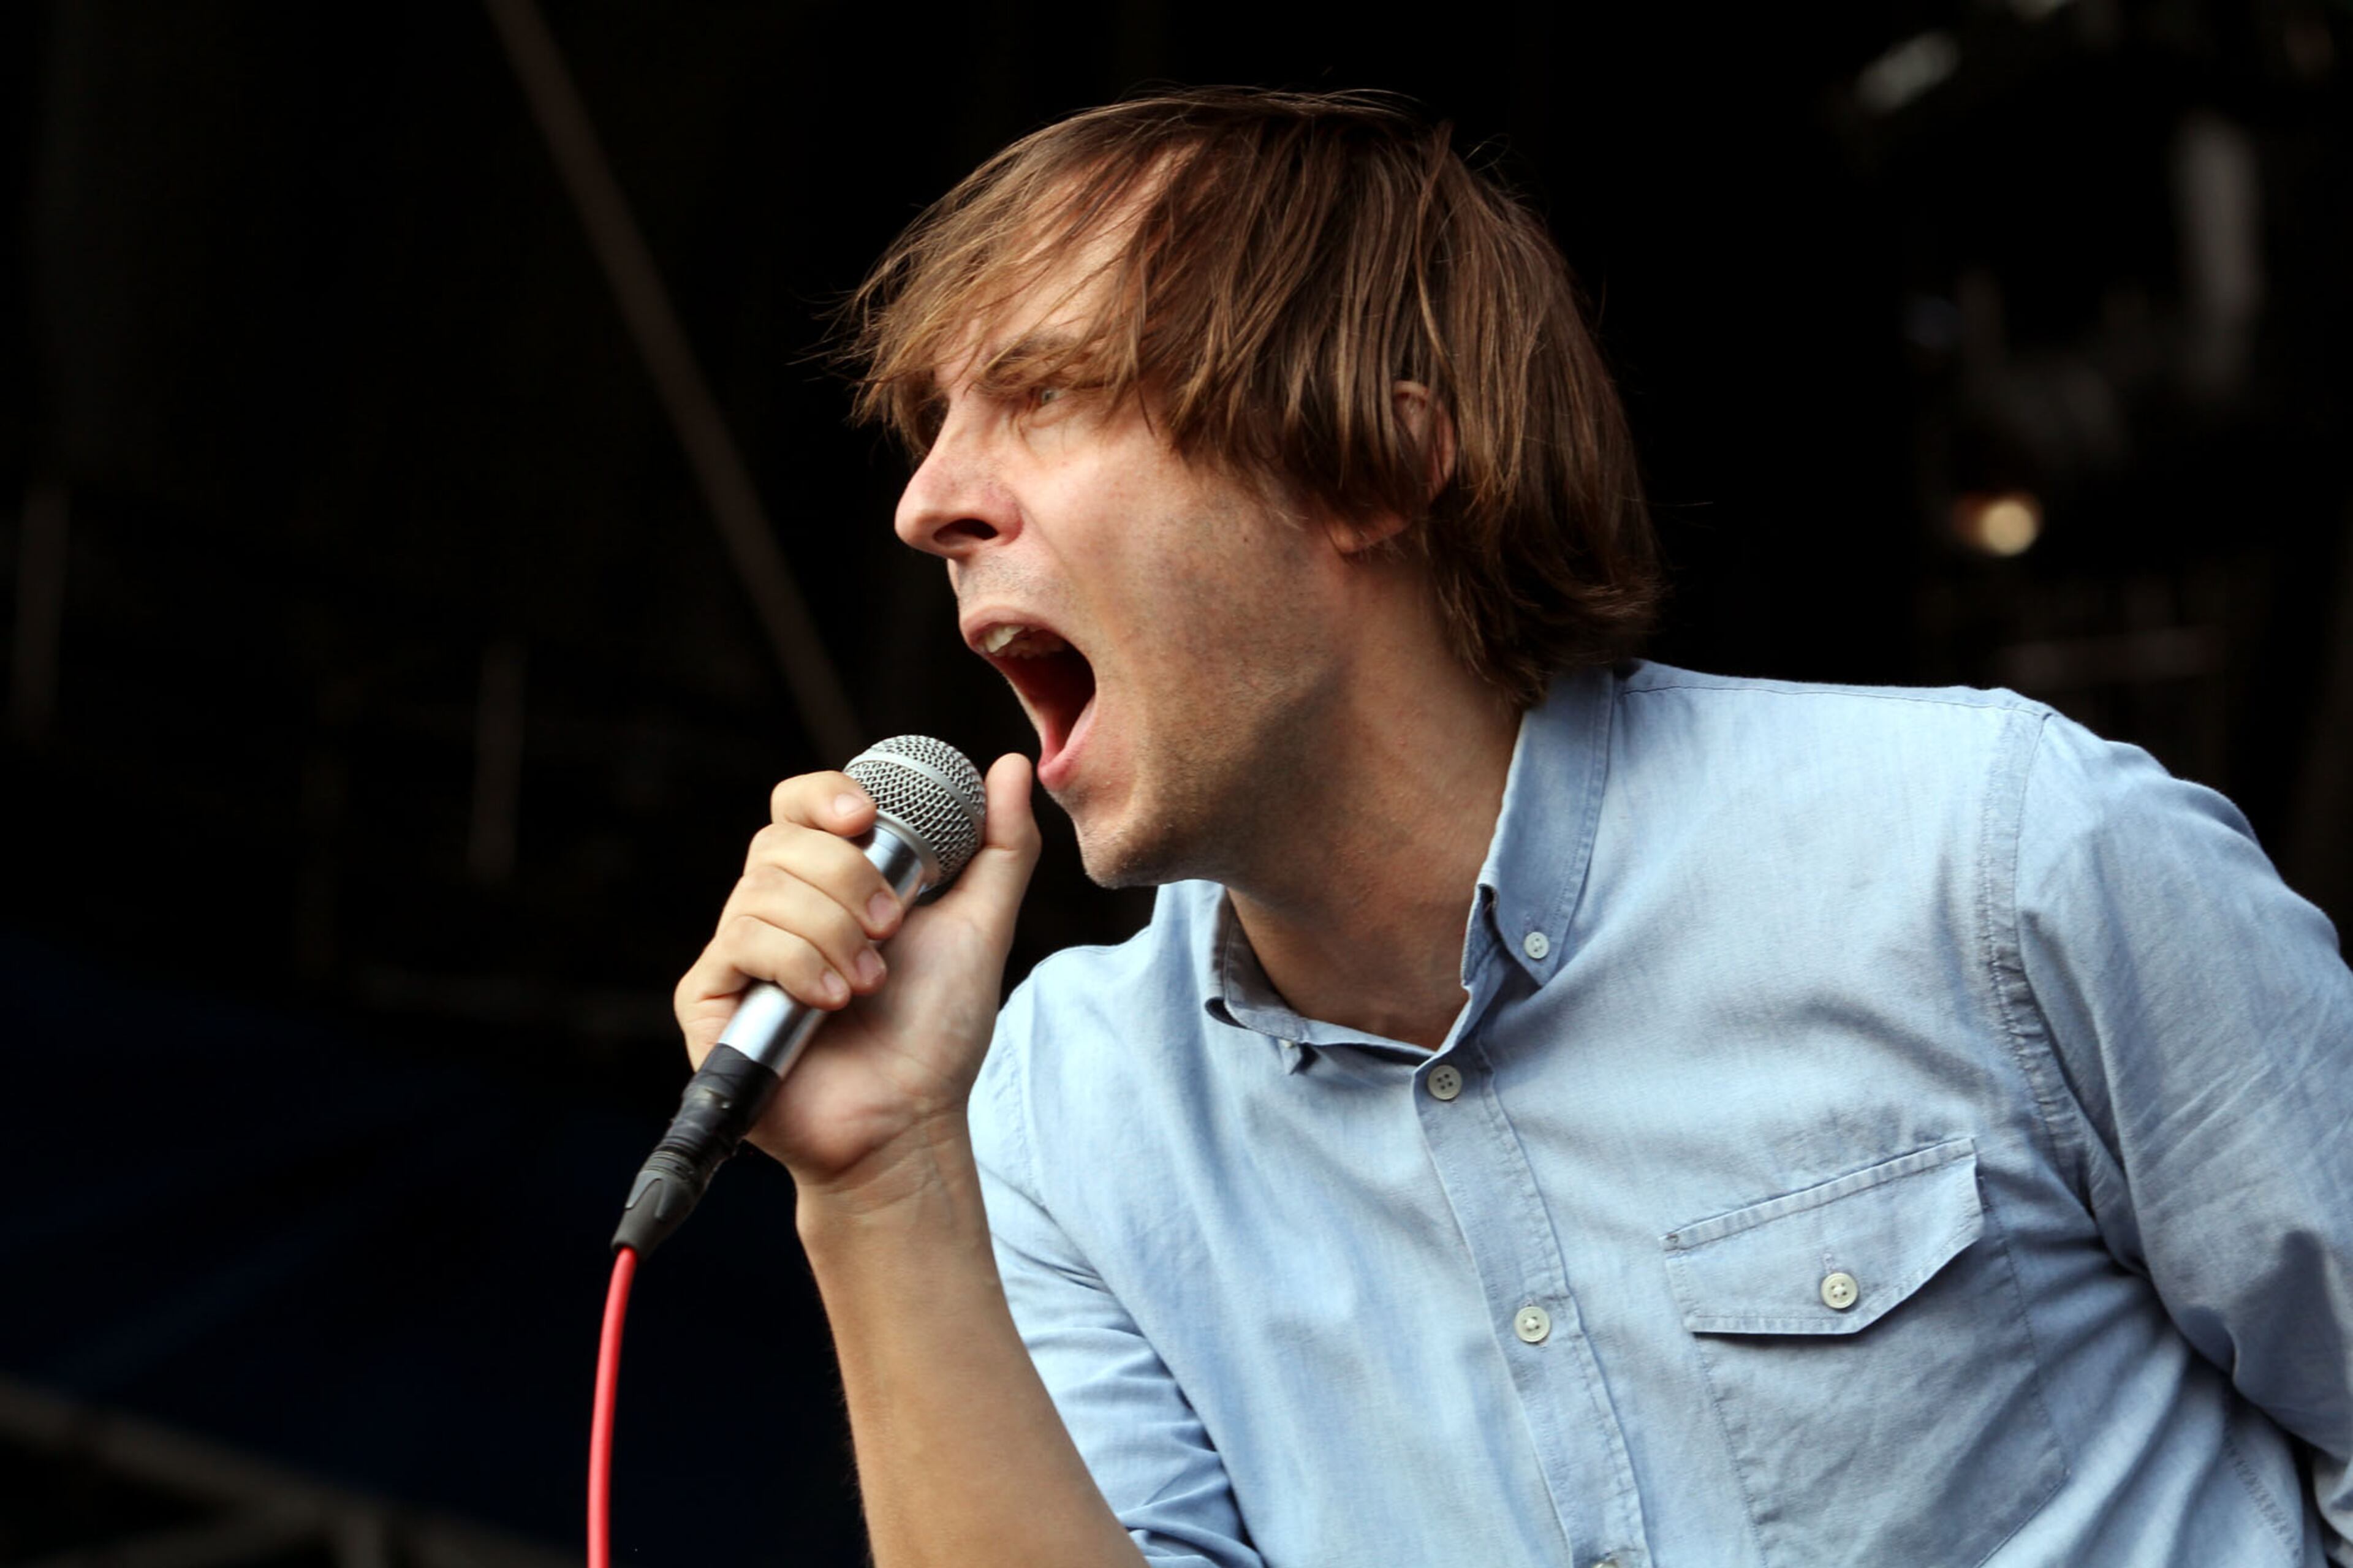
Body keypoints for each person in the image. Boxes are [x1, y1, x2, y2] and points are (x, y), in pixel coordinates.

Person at [671, 89, 2353, 1566]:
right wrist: (879, 1180)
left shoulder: (1991, 851)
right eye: (928, 428)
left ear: (1373, 465)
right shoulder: (1060, 1110)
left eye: (1038, 391)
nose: (925, 503)